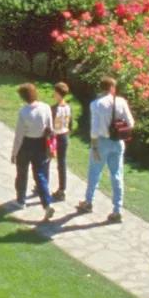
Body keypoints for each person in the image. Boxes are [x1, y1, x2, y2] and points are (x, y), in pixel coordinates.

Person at [75, 76, 134, 222]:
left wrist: (94, 146)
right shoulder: (121, 102)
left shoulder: (96, 104)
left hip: (101, 141)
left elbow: (94, 129)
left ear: (101, 88)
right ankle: (117, 209)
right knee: (117, 175)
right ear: (112, 88)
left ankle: (88, 202)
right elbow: (131, 123)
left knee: (94, 172)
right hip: (118, 141)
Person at [10, 81, 55, 218]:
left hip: (26, 144)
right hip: (41, 144)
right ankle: (47, 204)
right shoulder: (46, 107)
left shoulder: (24, 112)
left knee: (22, 173)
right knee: (40, 174)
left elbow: (19, 135)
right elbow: (50, 128)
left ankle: (21, 200)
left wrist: (14, 153)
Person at [50, 81, 74, 201]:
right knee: (62, 163)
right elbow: (70, 125)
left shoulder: (54, 109)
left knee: (46, 160)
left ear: (59, 93)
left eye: (55, 92)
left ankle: (42, 184)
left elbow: (49, 125)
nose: (54, 94)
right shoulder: (68, 107)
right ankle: (62, 189)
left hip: (54, 137)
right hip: (64, 136)